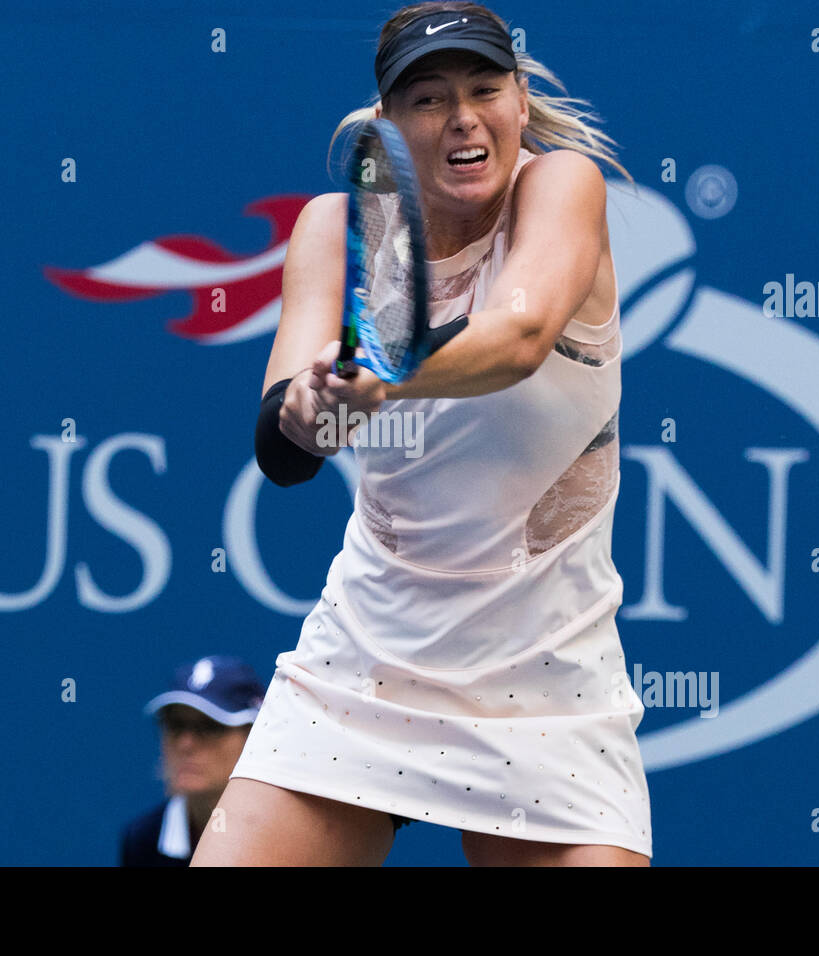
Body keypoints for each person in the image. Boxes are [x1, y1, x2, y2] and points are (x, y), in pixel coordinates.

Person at [193, 1, 651, 867]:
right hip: (362, 665)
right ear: (387, 126)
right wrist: (310, 410)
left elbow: (518, 337)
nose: (464, 117)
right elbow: (286, 445)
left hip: (549, 683)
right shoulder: (336, 226)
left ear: (520, 100)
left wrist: (385, 370)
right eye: (430, 98)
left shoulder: (563, 187)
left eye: (485, 88)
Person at [119, 655, 265, 866]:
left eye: (210, 726)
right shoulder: (143, 838)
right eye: (176, 725)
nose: (185, 744)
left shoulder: (296, 832)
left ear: (254, 738)